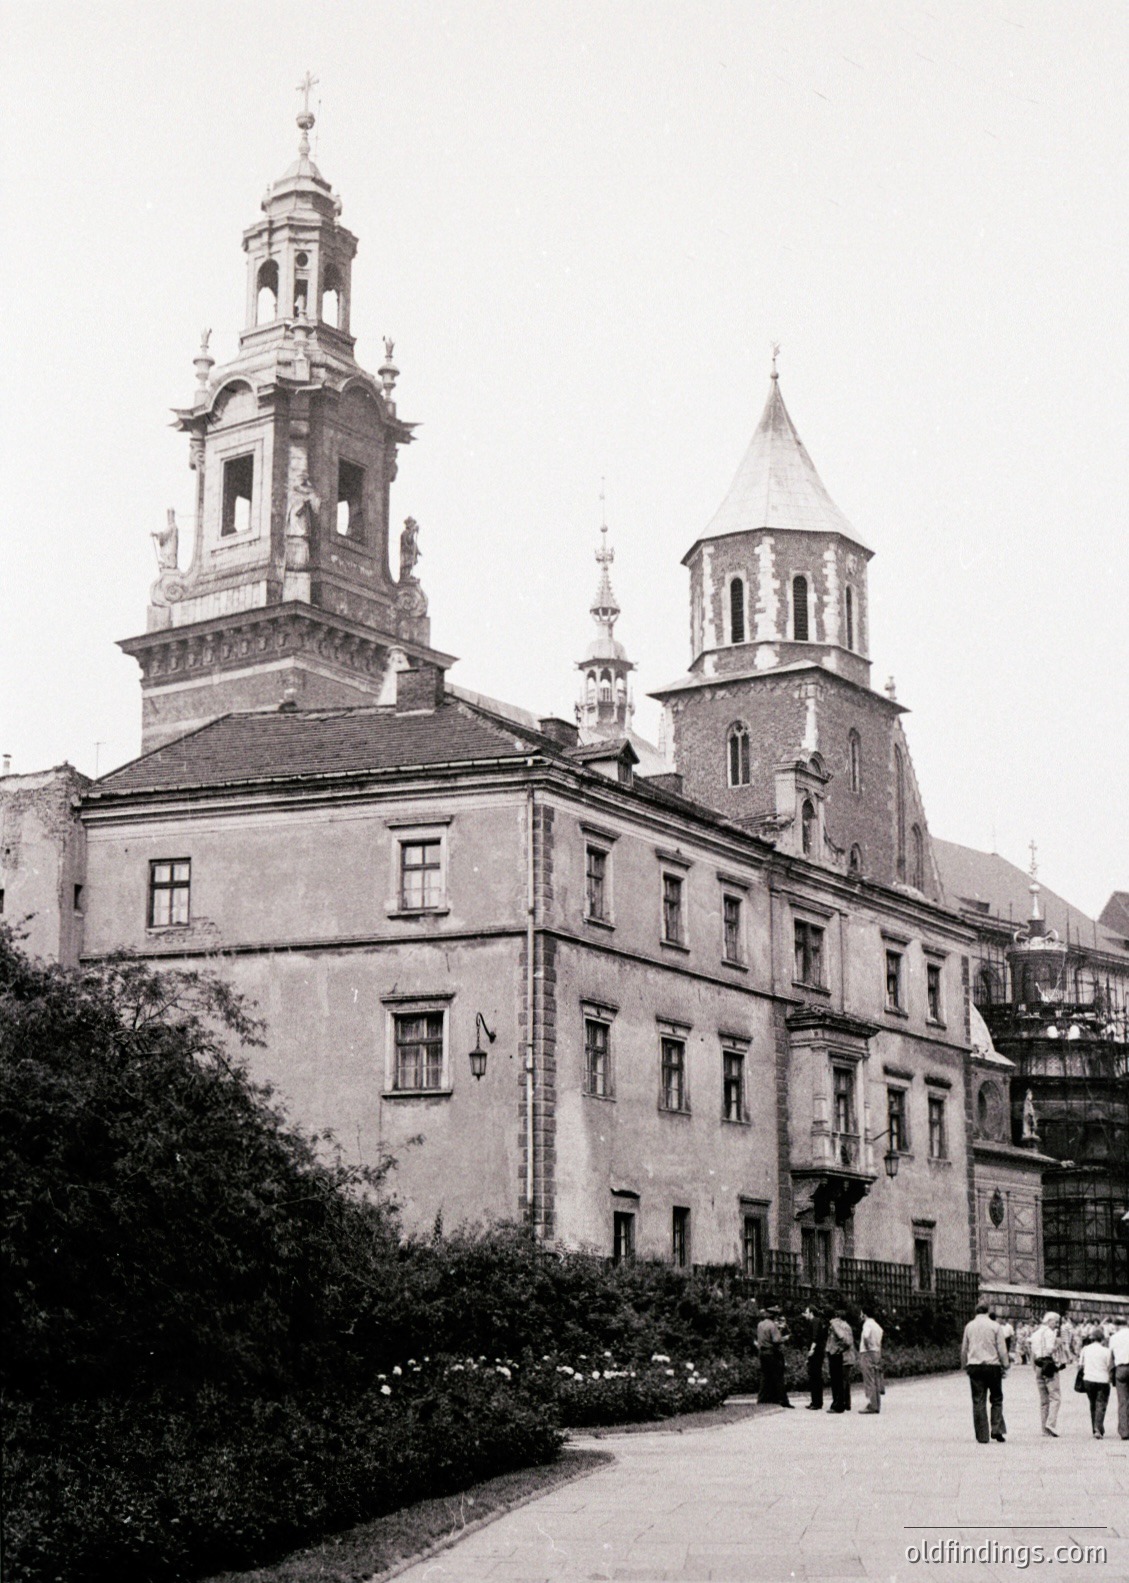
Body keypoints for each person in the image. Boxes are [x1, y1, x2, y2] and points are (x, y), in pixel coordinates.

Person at [961, 1297, 1009, 1443]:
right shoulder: (995, 1326)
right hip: (992, 1366)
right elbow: (1002, 1348)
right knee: (996, 1398)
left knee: (978, 1400)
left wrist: (965, 1365)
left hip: (975, 1366)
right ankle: (997, 1429)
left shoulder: (969, 1326)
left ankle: (982, 1435)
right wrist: (1005, 1364)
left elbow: (964, 1348)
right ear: (988, 1311)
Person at [1029, 1310, 1070, 1437]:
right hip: (1049, 1365)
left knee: (1043, 1400)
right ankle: (1051, 1424)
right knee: (1055, 1397)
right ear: (1049, 1321)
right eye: (1055, 1322)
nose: (1056, 1324)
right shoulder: (1050, 1333)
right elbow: (1050, 1350)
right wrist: (1058, 1344)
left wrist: (1034, 1368)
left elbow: (1033, 1353)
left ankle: (1044, 1428)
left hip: (1039, 1365)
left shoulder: (1035, 1334)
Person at [1080, 1327, 1113, 1439]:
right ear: (1102, 1339)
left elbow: (1080, 1365)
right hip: (1102, 1379)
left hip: (1088, 1379)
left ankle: (1095, 1427)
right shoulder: (1106, 1351)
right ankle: (1098, 1428)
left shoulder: (1085, 1349)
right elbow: (1109, 1366)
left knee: (1092, 1404)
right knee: (1101, 1404)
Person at [756, 1305, 792, 1407]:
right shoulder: (772, 1326)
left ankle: (762, 1399)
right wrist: (784, 1338)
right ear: (774, 1316)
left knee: (765, 1376)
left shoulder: (760, 1324)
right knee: (778, 1376)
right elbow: (776, 1340)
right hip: (771, 1352)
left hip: (762, 1352)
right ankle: (783, 1400)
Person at [825, 1306, 856, 1413]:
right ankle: (846, 1403)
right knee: (844, 1381)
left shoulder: (838, 1325)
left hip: (842, 1357)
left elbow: (845, 1340)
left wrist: (838, 1349)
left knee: (839, 1382)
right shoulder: (844, 1325)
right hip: (844, 1356)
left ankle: (839, 1404)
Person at [859, 1307, 884, 1414]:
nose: (860, 1316)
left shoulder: (867, 1324)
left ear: (864, 1315)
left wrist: (867, 1346)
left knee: (869, 1379)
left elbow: (866, 1336)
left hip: (867, 1353)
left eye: (861, 1313)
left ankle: (872, 1405)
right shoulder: (877, 1326)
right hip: (876, 1352)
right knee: (875, 1379)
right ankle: (877, 1404)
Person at [805, 1305, 829, 1410]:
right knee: (814, 1376)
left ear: (811, 1313)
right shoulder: (816, 1321)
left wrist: (811, 1349)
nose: (805, 1314)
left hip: (816, 1352)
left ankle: (817, 1402)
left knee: (815, 1376)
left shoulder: (815, 1321)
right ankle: (815, 1401)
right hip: (817, 1352)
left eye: (806, 1312)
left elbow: (815, 1337)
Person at [1110, 1316, 1129, 1441]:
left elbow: (1111, 1355)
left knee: (1123, 1401)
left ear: (1116, 1325)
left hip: (1121, 1368)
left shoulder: (1113, 1337)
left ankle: (1124, 1431)